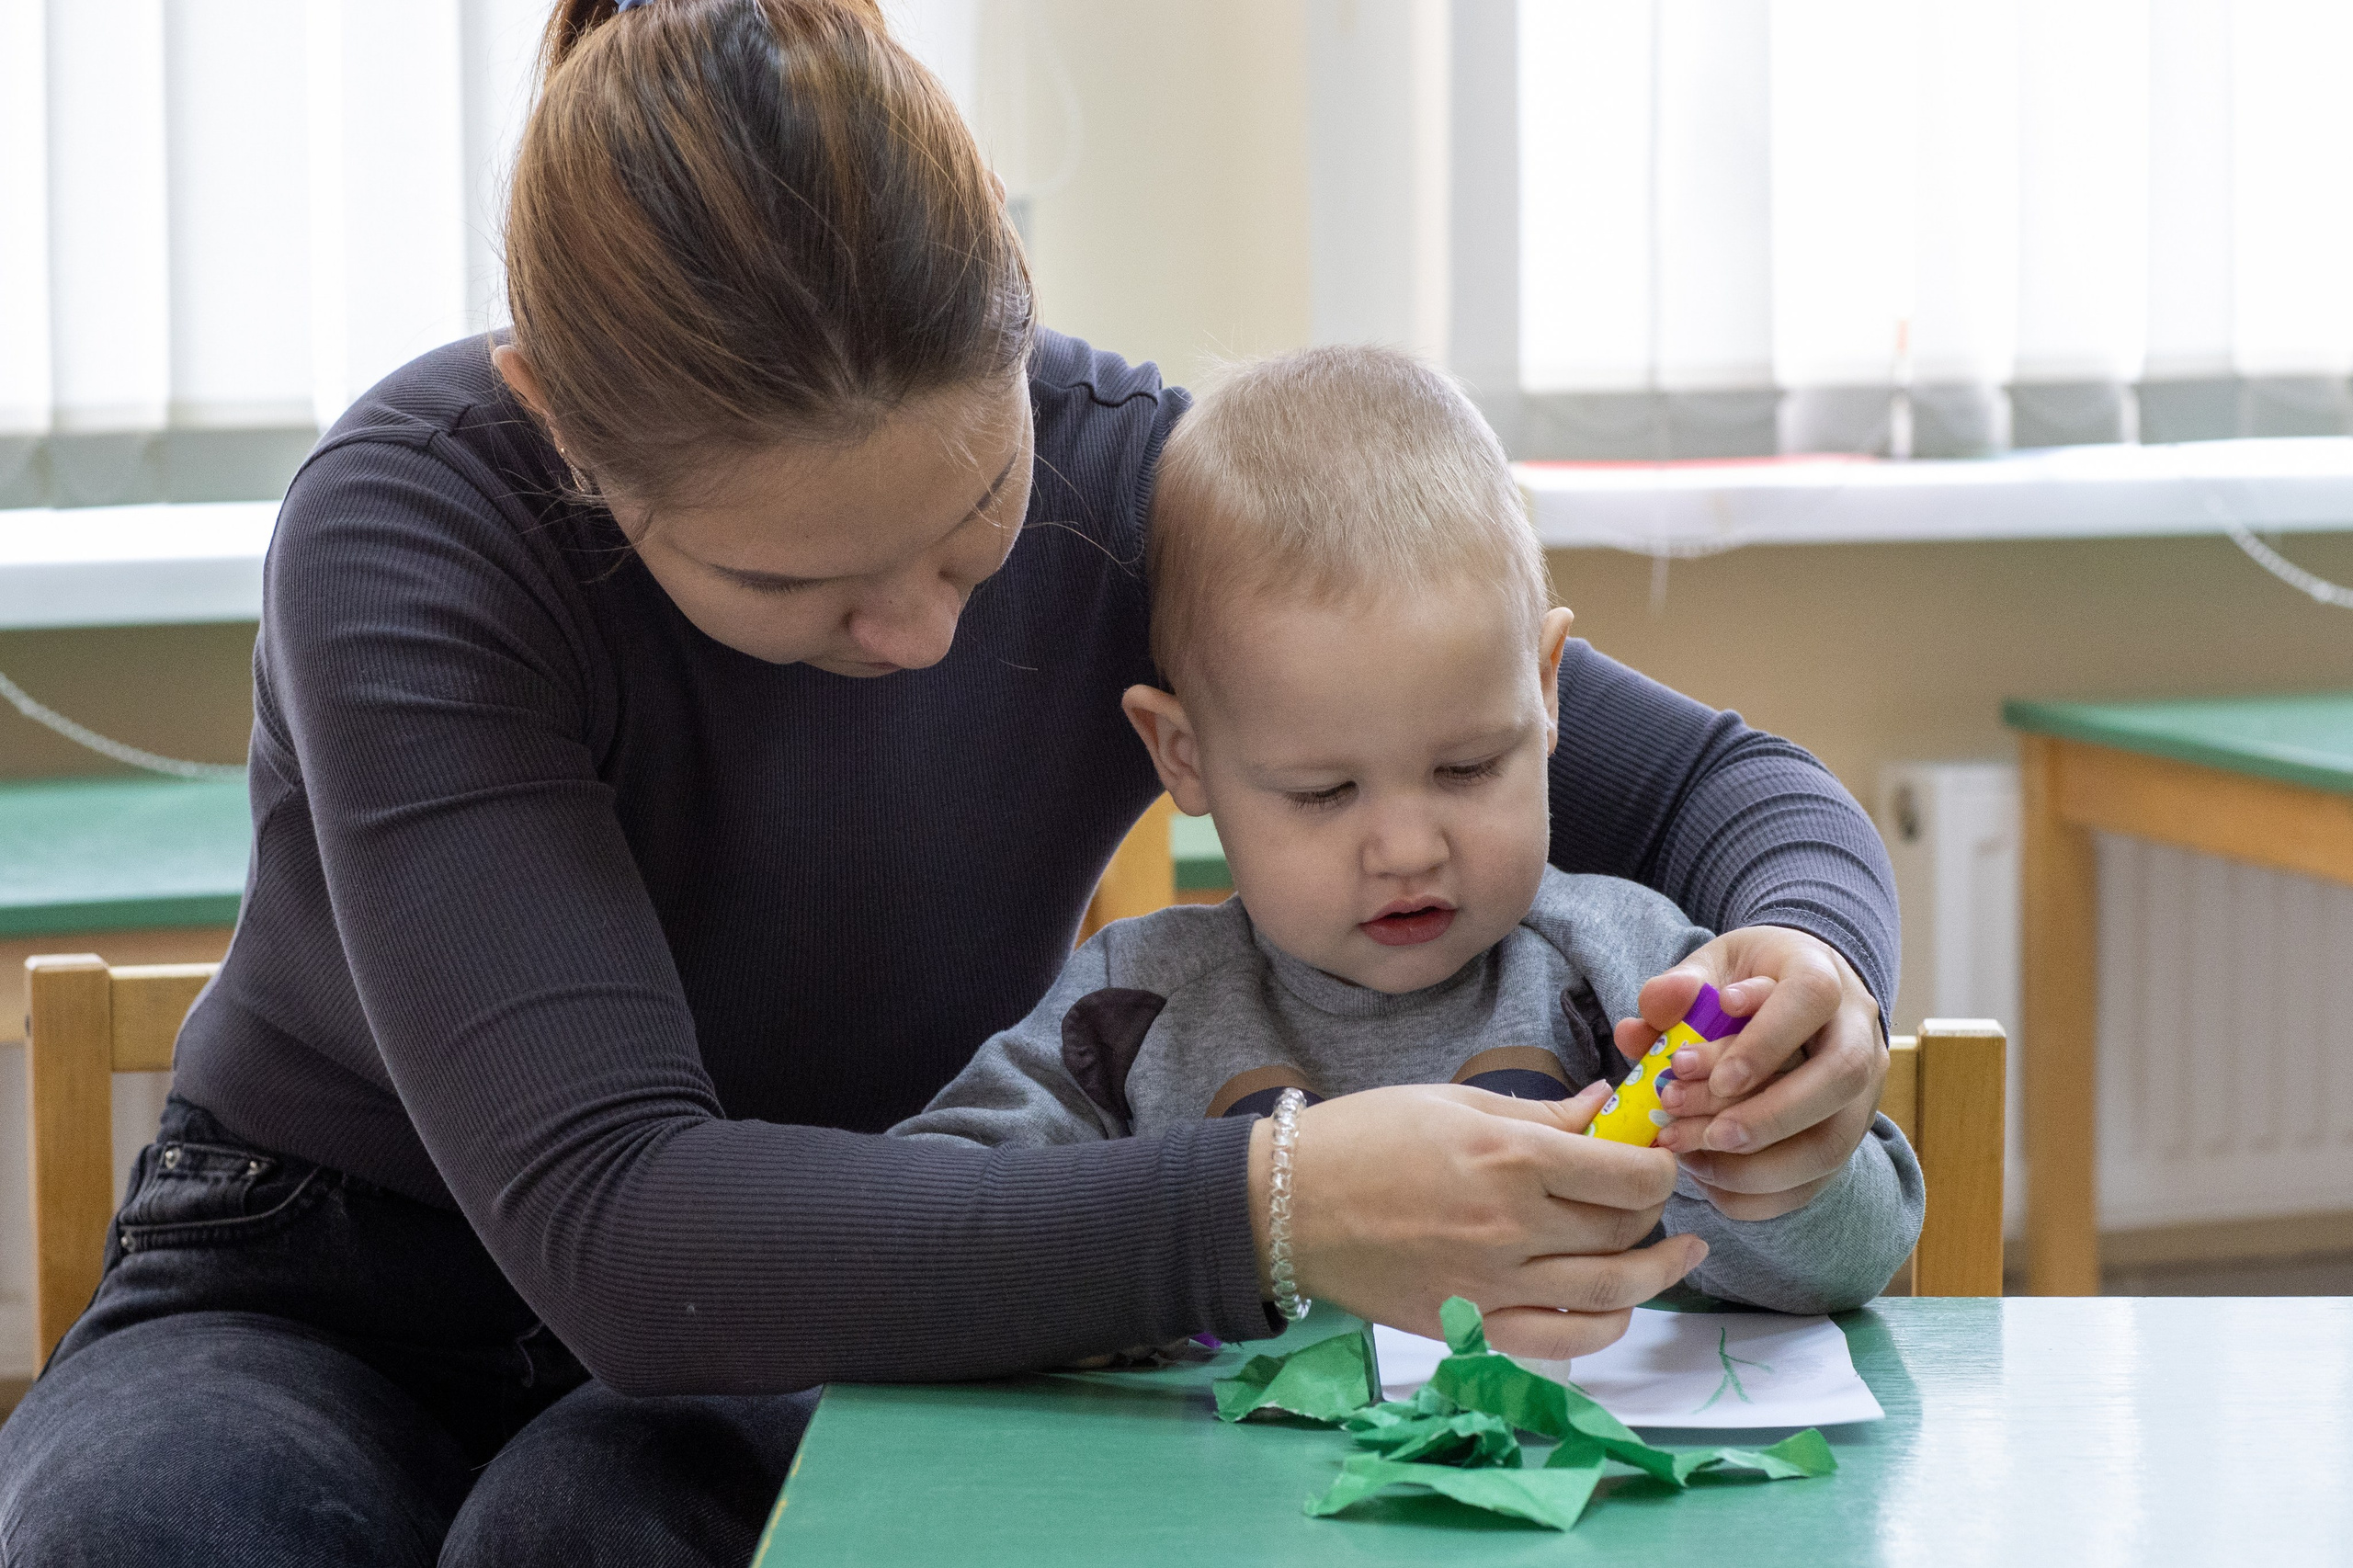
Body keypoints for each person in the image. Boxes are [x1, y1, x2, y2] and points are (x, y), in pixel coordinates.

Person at [0, 3, 1903, 1564]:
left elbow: (1730, 790)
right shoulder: (409, 529)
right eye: (791, 585)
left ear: (1016, 296)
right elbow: (627, 1238)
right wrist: (1272, 1199)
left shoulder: (1134, 474)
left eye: (973, 515)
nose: (916, 628)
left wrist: (1806, 971)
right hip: (330, 1294)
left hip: (900, 1270)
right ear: (566, 429)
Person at [895, 346, 1923, 1319]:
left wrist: (1744, 1155)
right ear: (1184, 755)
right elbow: (928, 1212)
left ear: (1546, 689)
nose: (1406, 850)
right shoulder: (1131, 1012)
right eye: (1322, 790)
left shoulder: (1633, 974)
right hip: (1218, 1508)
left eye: (1467, 767)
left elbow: (1856, 1255)